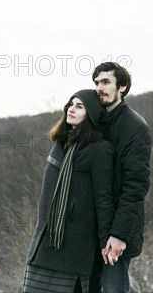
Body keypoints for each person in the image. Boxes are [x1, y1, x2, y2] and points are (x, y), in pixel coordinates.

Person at [23, 89, 114, 293]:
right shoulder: (61, 144)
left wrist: (106, 241)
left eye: (79, 106)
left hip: (74, 248)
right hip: (45, 243)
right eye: (70, 105)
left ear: (91, 113)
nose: (71, 109)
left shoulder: (99, 149)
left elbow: (104, 199)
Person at [89, 62, 152, 293]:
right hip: (91, 229)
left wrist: (118, 234)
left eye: (106, 82)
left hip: (117, 232)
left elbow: (136, 186)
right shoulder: (93, 123)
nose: (99, 87)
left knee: (114, 289)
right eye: (96, 82)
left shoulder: (134, 127)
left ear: (122, 87)